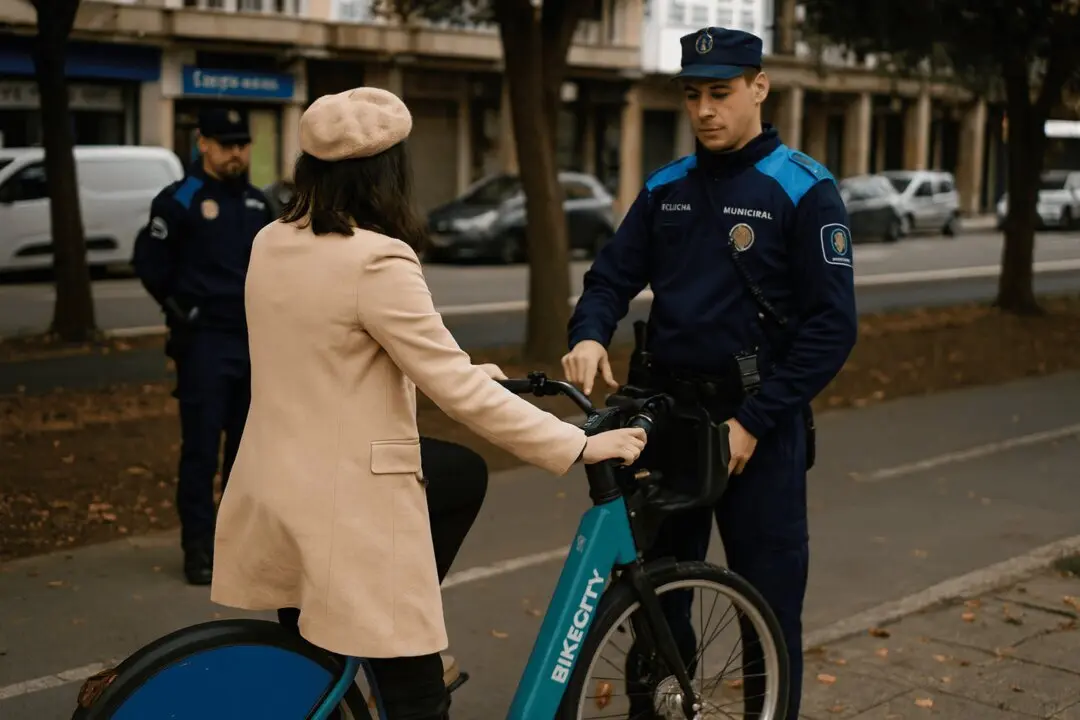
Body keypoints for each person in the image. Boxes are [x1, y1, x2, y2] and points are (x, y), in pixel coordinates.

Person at [207, 86, 648, 720]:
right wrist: (577, 442)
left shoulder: (270, 242)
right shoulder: (378, 258)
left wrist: (463, 370)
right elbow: (456, 391)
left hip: (277, 490)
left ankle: (359, 642)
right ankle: (384, 623)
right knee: (418, 703)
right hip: (347, 514)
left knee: (455, 475)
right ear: (388, 173)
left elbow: (336, 354)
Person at [562, 27, 858, 719]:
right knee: (656, 605)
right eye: (692, 94)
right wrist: (588, 334)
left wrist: (754, 422)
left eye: (720, 93)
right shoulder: (667, 188)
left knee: (769, 610)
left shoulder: (803, 189)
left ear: (760, 87)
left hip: (759, 427)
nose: (704, 110)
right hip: (669, 423)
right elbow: (609, 278)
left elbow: (831, 327)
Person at [132, 108, 275, 586]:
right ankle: (198, 548)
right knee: (200, 450)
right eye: (225, 142)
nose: (236, 152)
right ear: (203, 144)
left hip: (253, 344)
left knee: (247, 452)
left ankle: (237, 546)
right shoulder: (180, 200)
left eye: (242, 142)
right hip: (205, 344)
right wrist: (181, 311)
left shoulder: (259, 204)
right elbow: (150, 262)